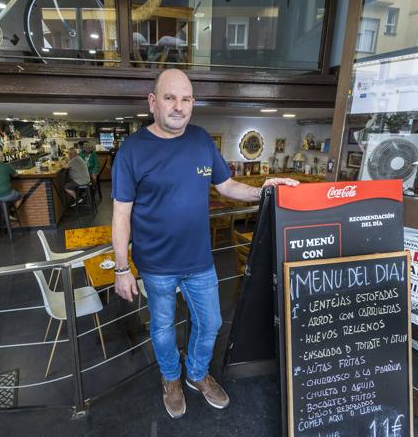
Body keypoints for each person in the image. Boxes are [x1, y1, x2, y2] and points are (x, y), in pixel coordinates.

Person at [111, 69, 299, 419]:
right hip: (154, 265)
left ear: (193, 104)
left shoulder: (201, 141)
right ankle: (171, 378)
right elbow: (121, 213)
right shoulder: (132, 151)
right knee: (163, 327)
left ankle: (196, 374)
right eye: (170, 98)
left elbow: (227, 187)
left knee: (210, 323)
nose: (178, 106)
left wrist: (266, 192)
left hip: (199, 261)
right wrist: (122, 268)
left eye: (185, 99)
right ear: (153, 102)